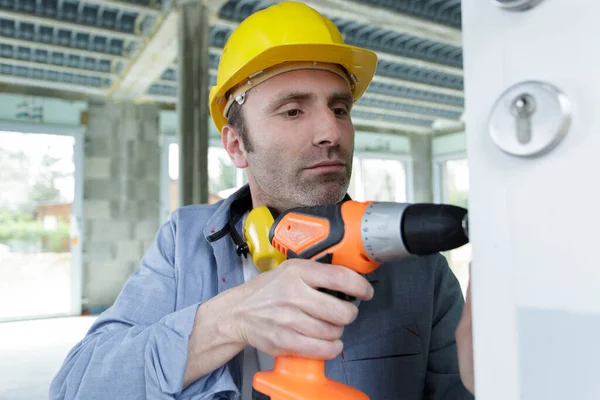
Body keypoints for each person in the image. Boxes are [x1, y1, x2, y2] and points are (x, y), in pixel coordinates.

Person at [50, 2, 475, 399]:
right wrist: (229, 319)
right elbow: (77, 385)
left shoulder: (420, 268)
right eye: (293, 111)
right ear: (236, 145)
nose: (331, 132)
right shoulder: (184, 244)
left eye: (341, 109)